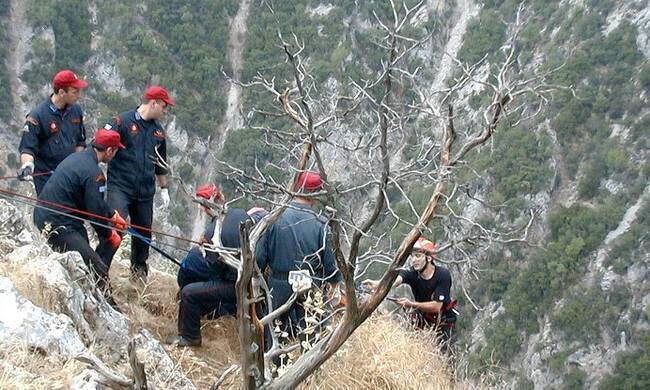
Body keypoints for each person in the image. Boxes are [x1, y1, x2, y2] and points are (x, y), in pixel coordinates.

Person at [33, 129, 128, 307]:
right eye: (115, 151)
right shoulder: (95, 174)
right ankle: (109, 307)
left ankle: (88, 295)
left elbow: (92, 201)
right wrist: (109, 234)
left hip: (48, 216)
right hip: (59, 224)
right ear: (109, 151)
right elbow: (95, 214)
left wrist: (112, 214)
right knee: (94, 266)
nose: (115, 154)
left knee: (85, 252)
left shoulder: (76, 158)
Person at [167, 184, 267, 347]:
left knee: (188, 293)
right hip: (256, 281)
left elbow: (214, 270)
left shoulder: (212, 233)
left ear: (206, 208)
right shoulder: (240, 213)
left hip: (237, 286)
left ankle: (190, 337)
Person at [95, 86, 174, 281]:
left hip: (145, 193)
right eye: (164, 107)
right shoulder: (122, 122)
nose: (165, 111)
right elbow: (101, 146)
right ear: (153, 103)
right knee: (116, 228)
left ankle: (138, 277)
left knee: (143, 236)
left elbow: (160, 163)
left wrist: (164, 188)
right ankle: (98, 269)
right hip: (120, 187)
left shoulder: (158, 133)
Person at [256, 171, 342, 338]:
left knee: (275, 328)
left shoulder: (274, 218)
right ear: (316, 194)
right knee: (311, 328)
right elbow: (329, 261)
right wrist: (334, 283)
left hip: (279, 283)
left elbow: (260, 257)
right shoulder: (320, 224)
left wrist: (255, 278)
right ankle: (309, 362)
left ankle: (278, 363)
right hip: (311, 282)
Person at [363, 236, 457, 350]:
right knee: (414, 347)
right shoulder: (412, 273)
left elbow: (436, 306)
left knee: (445, 356)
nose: (413, 260)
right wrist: (379, 285)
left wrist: (411, 304)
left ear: (428, 258)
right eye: (412, 256)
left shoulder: (443, 275)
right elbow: (395, 280)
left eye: (417, 256)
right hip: (423, 318)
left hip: (444, 321)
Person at [18, 70, 88, 195]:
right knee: (51, 212)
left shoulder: (76, 110)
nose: (79, 95)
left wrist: (77, 164)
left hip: (71, 176)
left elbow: (80, 142)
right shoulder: (37, 116)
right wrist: (27, 166)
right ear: (61, 92)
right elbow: (27, 148)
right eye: (75, 92)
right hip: (47, 179)